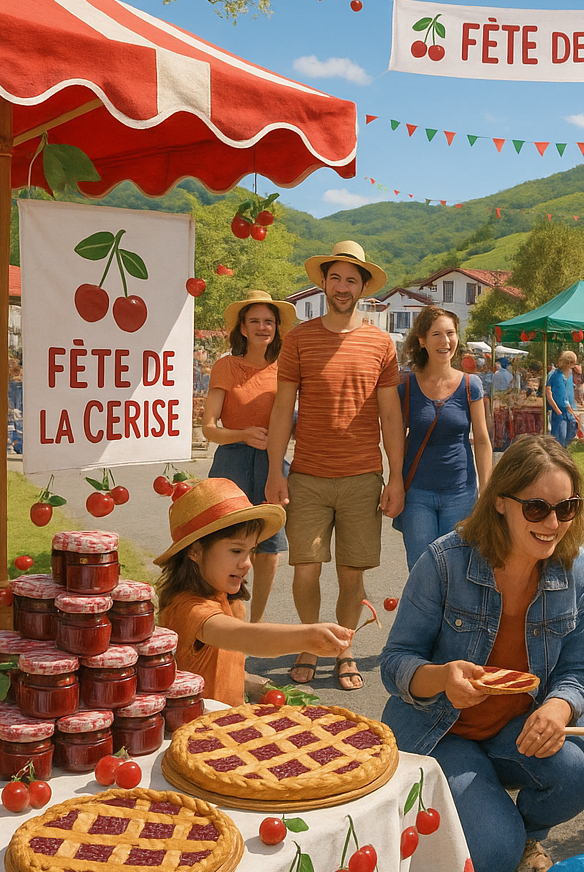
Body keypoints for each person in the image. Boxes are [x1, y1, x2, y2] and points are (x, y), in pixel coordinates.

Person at [380, 435, 584, 872]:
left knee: (579, 773)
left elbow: (577, 670)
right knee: (492, 856)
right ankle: (476, 830)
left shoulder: (577, 569)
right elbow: (395, 662)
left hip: (511, 731)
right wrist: (441, 677)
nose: (553, 522)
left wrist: (558, 707)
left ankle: (519, 834)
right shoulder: (445, 560)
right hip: (438, 731)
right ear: (501, 502)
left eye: (567, 507)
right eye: (536, 508)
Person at [265, 241, 404, 690]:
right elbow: (283, 409)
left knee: (351, 573)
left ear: (363, 287)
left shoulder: (381, 343)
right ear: (323, 282)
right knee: (305, 568)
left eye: (351, 279)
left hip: (363, 476)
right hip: (306, 474)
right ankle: (311, 641)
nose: (342, 287)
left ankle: (342, 648)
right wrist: (274, 469)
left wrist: (395, 477)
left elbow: (390, 415)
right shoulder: (300, 340)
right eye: (335, 278)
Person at [155, 479, 353, 706]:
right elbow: (245, 637)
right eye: (236, 550)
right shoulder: (186, 608)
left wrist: (248, 683)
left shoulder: (224, 597)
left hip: (228, 723)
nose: (247, 563)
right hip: (200, 733)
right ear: (195, 551)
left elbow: (220, 664)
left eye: (251, 551)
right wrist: (307, 637)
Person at [203, 290, 296, 623]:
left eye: (268, 321)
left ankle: (254, 625)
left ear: (276, 328)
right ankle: (225, 616)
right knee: (227, 545)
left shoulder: (286, 367)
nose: (262, 327)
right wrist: (242, 433)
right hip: (231, 462)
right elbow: (209, 428)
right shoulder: (225, 366)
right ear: (242, 328)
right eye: (254, 321)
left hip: (273, 463)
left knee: (270, 549)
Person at [395, 306, 493, 571]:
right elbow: (394, 438)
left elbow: (482, 440)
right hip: (417, 494)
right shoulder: (406, 386)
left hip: (460, 493)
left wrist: (486, 489)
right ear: (422, 340)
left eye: (450, 333)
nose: (445, 341)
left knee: (457, 569)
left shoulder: (470, 385)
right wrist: (394, 481)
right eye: (436, 334)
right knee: (421, 570)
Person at [546, 350, 580, 448]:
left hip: (569, 411)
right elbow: (549, 392)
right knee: (559, 437)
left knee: (572, 429)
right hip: (560, 412)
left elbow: (569, 391)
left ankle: (563, 451)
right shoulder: (555, 375)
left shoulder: (569, 375)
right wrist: (556, 409)